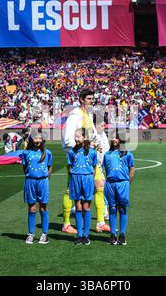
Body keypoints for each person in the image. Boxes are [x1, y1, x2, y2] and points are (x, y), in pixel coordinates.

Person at [61, 89, 97, 234]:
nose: (92, 101)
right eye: (89, 98)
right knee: (71, 190)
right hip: (77, 159)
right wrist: (81, 148)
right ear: (81, 99)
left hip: (89, 158)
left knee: (98, 186)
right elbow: (68, 139)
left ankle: (99, 221)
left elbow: (92, 136)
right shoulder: (75, 116)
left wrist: (96, 146)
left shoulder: (87, 115)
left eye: (92, 98)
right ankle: (66, 223)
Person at [102, 131, 135, 245]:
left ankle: (122, 234)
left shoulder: (128, 154)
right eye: (112, 138)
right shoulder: (107, 154)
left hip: (123, 184)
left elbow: (132, 170)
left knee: (122, 209)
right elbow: (106, 169)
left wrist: (127, 183)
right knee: (112, 209)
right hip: (110, 184)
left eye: (116, 138)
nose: (114, 140)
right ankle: (112, 234)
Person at [21, 129, 53, 245]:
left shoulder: (47, 153)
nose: (38, 140)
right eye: (35, 138)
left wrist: (45, 179)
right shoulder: (26, 153)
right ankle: (31, 234)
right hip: (30, 182)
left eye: (40, 138)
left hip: (43, 182)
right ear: (31, 139)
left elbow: (50, 168)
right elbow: (25, 169)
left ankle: (44, 234)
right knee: (32, 208)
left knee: (43, 207)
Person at [67, 128, 97, 246]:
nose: (76, 138)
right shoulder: (71, 152)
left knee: (86, 207)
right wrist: (73, 177)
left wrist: (89, 178)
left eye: (78, 136)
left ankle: (86, 235)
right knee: (78, 207)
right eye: (75, 136)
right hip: (75, 179)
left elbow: (94, 168)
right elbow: (69, 167)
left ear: (84, 137)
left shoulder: (92, 152)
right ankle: (79, 235)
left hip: (87, 179)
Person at [93, 116, 111, 233]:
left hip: (100, 166)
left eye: (104, 125)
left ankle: (102, 217)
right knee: (100, 189)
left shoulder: (103, 135)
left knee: (99, 190)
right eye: (101, 125)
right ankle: (103, 215)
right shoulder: (93, 135)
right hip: (93, 167)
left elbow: (105, 150)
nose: (103, 127)